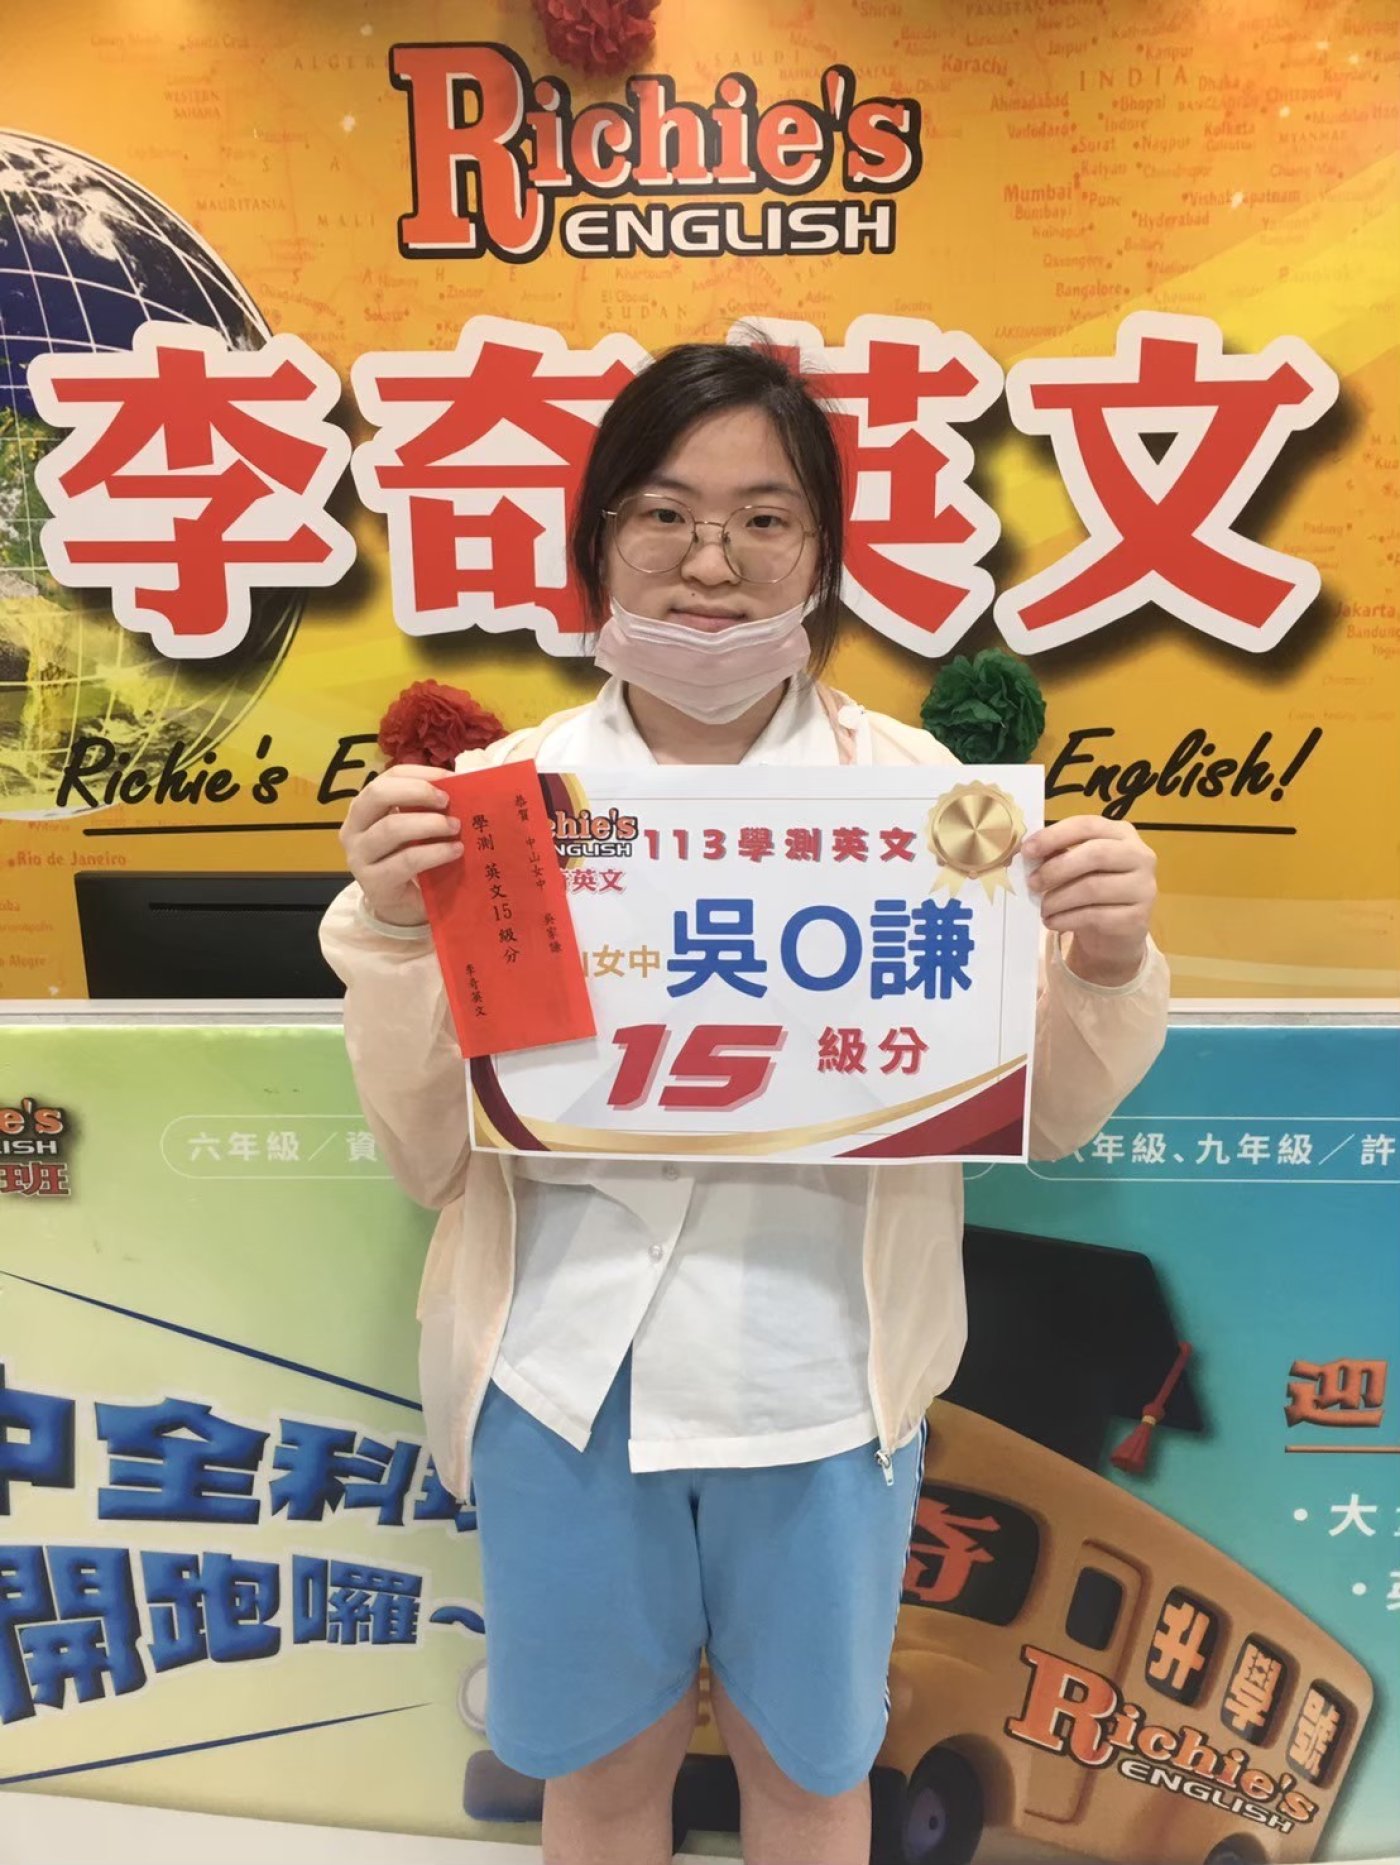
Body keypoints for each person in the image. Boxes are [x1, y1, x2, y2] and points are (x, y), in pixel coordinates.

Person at [321, 342, 1167, 1865]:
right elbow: (428, 1151)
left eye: (764, 518)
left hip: (823, 1382)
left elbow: (1037, 1121)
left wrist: (1102, 961)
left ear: (821, 553)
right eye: (664, 512)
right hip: (565, 1380)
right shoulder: (498, 810)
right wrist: (392, 934)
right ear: (597, 542)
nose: (711, 562)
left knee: (811, 1779)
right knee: (597, 1782)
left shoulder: (932, 803)